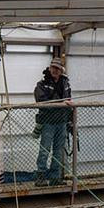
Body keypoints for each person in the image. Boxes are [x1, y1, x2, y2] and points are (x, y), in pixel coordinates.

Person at [33, 58, 72, 186]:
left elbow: (69, 99)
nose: (55, 70)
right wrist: (62, 104)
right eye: (53, 68)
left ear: (61, 70)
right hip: (48, 121)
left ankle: (55, 178)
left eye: (57, 68)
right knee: (45, 150)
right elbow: (41, 101)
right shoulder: (42, 84)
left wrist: (70, 118)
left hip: (62, 121)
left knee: (59, 150)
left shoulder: (65, 83)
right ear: (49, 68)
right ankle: (41, 177)